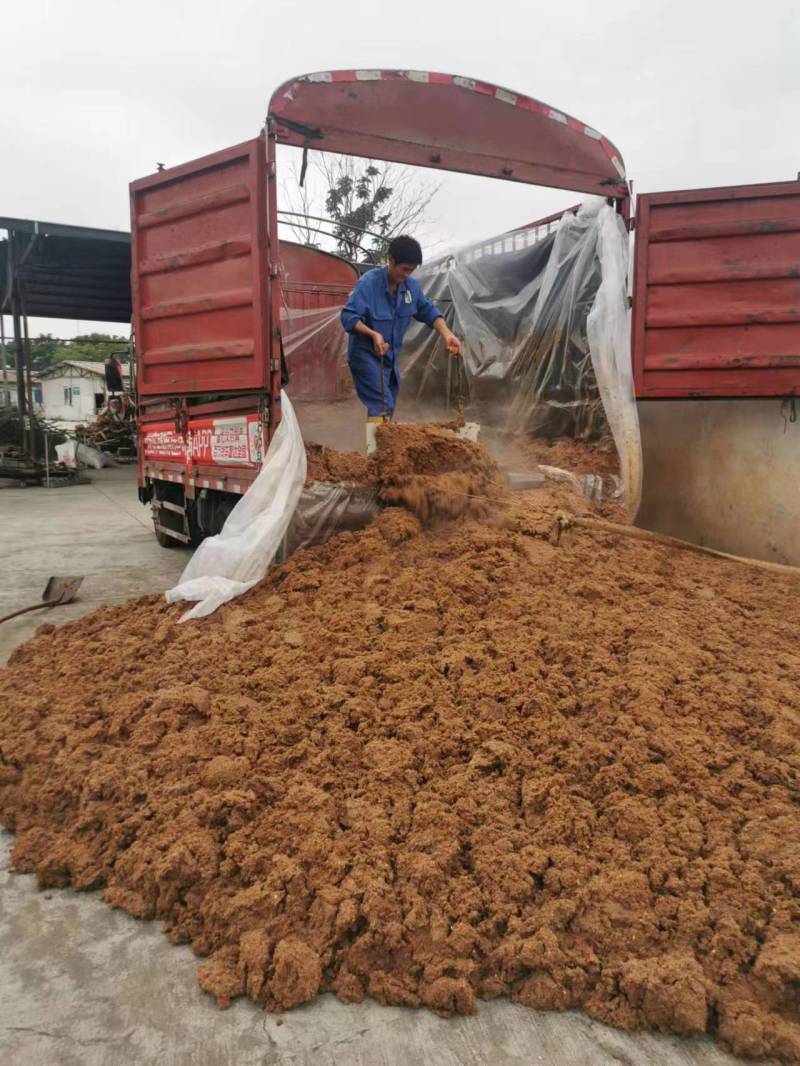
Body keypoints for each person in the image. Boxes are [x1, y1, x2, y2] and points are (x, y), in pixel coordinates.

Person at [341, 235, 462, 451]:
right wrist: (372, 334)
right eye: (404, 269)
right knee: (381, 402)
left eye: (411, 271)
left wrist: (446, 334)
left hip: (390, 359)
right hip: (366, 355)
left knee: (389, 405)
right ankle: (378, 458)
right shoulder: (368, 284)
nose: (406, 275)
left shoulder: (410, 288)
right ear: (390, 260)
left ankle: (382, 451)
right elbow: (349, 317)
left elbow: (428, 311)